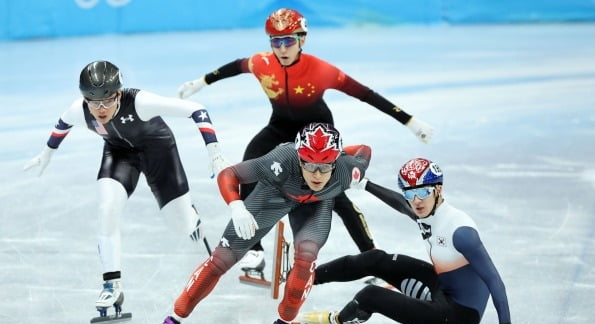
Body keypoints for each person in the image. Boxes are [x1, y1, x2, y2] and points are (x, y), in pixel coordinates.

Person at [176, 8, 434, 273]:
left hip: (317, 133)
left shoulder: (321, 70)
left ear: (303, 40)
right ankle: (254, 250)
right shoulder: (261, 63)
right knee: (251, 166)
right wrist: (201, 82)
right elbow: (235, 66)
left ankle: (373, 256)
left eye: (289, 40)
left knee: (336, 196)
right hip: (279, 127)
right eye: (276, 41)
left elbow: (366, 95)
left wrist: (410, 121)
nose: (282, 48)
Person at [143, 123, 372, 324]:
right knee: (220, 260)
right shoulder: (282, 159)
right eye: (309, 164)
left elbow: (365, 150)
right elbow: (229, 174)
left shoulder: (348, 169)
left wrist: (343, 155)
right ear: (298, 156)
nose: (316, 174)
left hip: (317, 206)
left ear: (336, 161)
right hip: (273, 195)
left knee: (306, 257)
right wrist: (237, 206)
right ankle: (173, 321)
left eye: (324, 166)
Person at [24, 60, 229, 317]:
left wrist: (215, 151)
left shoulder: (140, 102)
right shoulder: (81, 108)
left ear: (119, 94)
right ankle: (111, 284)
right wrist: (46, 154)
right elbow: (62, 124)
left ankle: (191, 217)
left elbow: (197, 109)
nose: (100, 109)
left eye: (107, 100)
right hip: (119, 155)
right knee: (107, 209)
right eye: (92, 101)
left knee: (182, 226)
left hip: (159, 152)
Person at [298, 158, 518, 324]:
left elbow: (493, 279)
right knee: (374, 259)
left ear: (438, 190)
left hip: (459, 317)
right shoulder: (426, 211)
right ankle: (305, 277)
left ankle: (338, 320)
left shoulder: (461, 232)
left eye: (422, 192)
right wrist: (363, 184)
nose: (416, 201)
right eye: (410, 193)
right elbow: (402, 205)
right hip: (442, 288)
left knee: (370, 295)